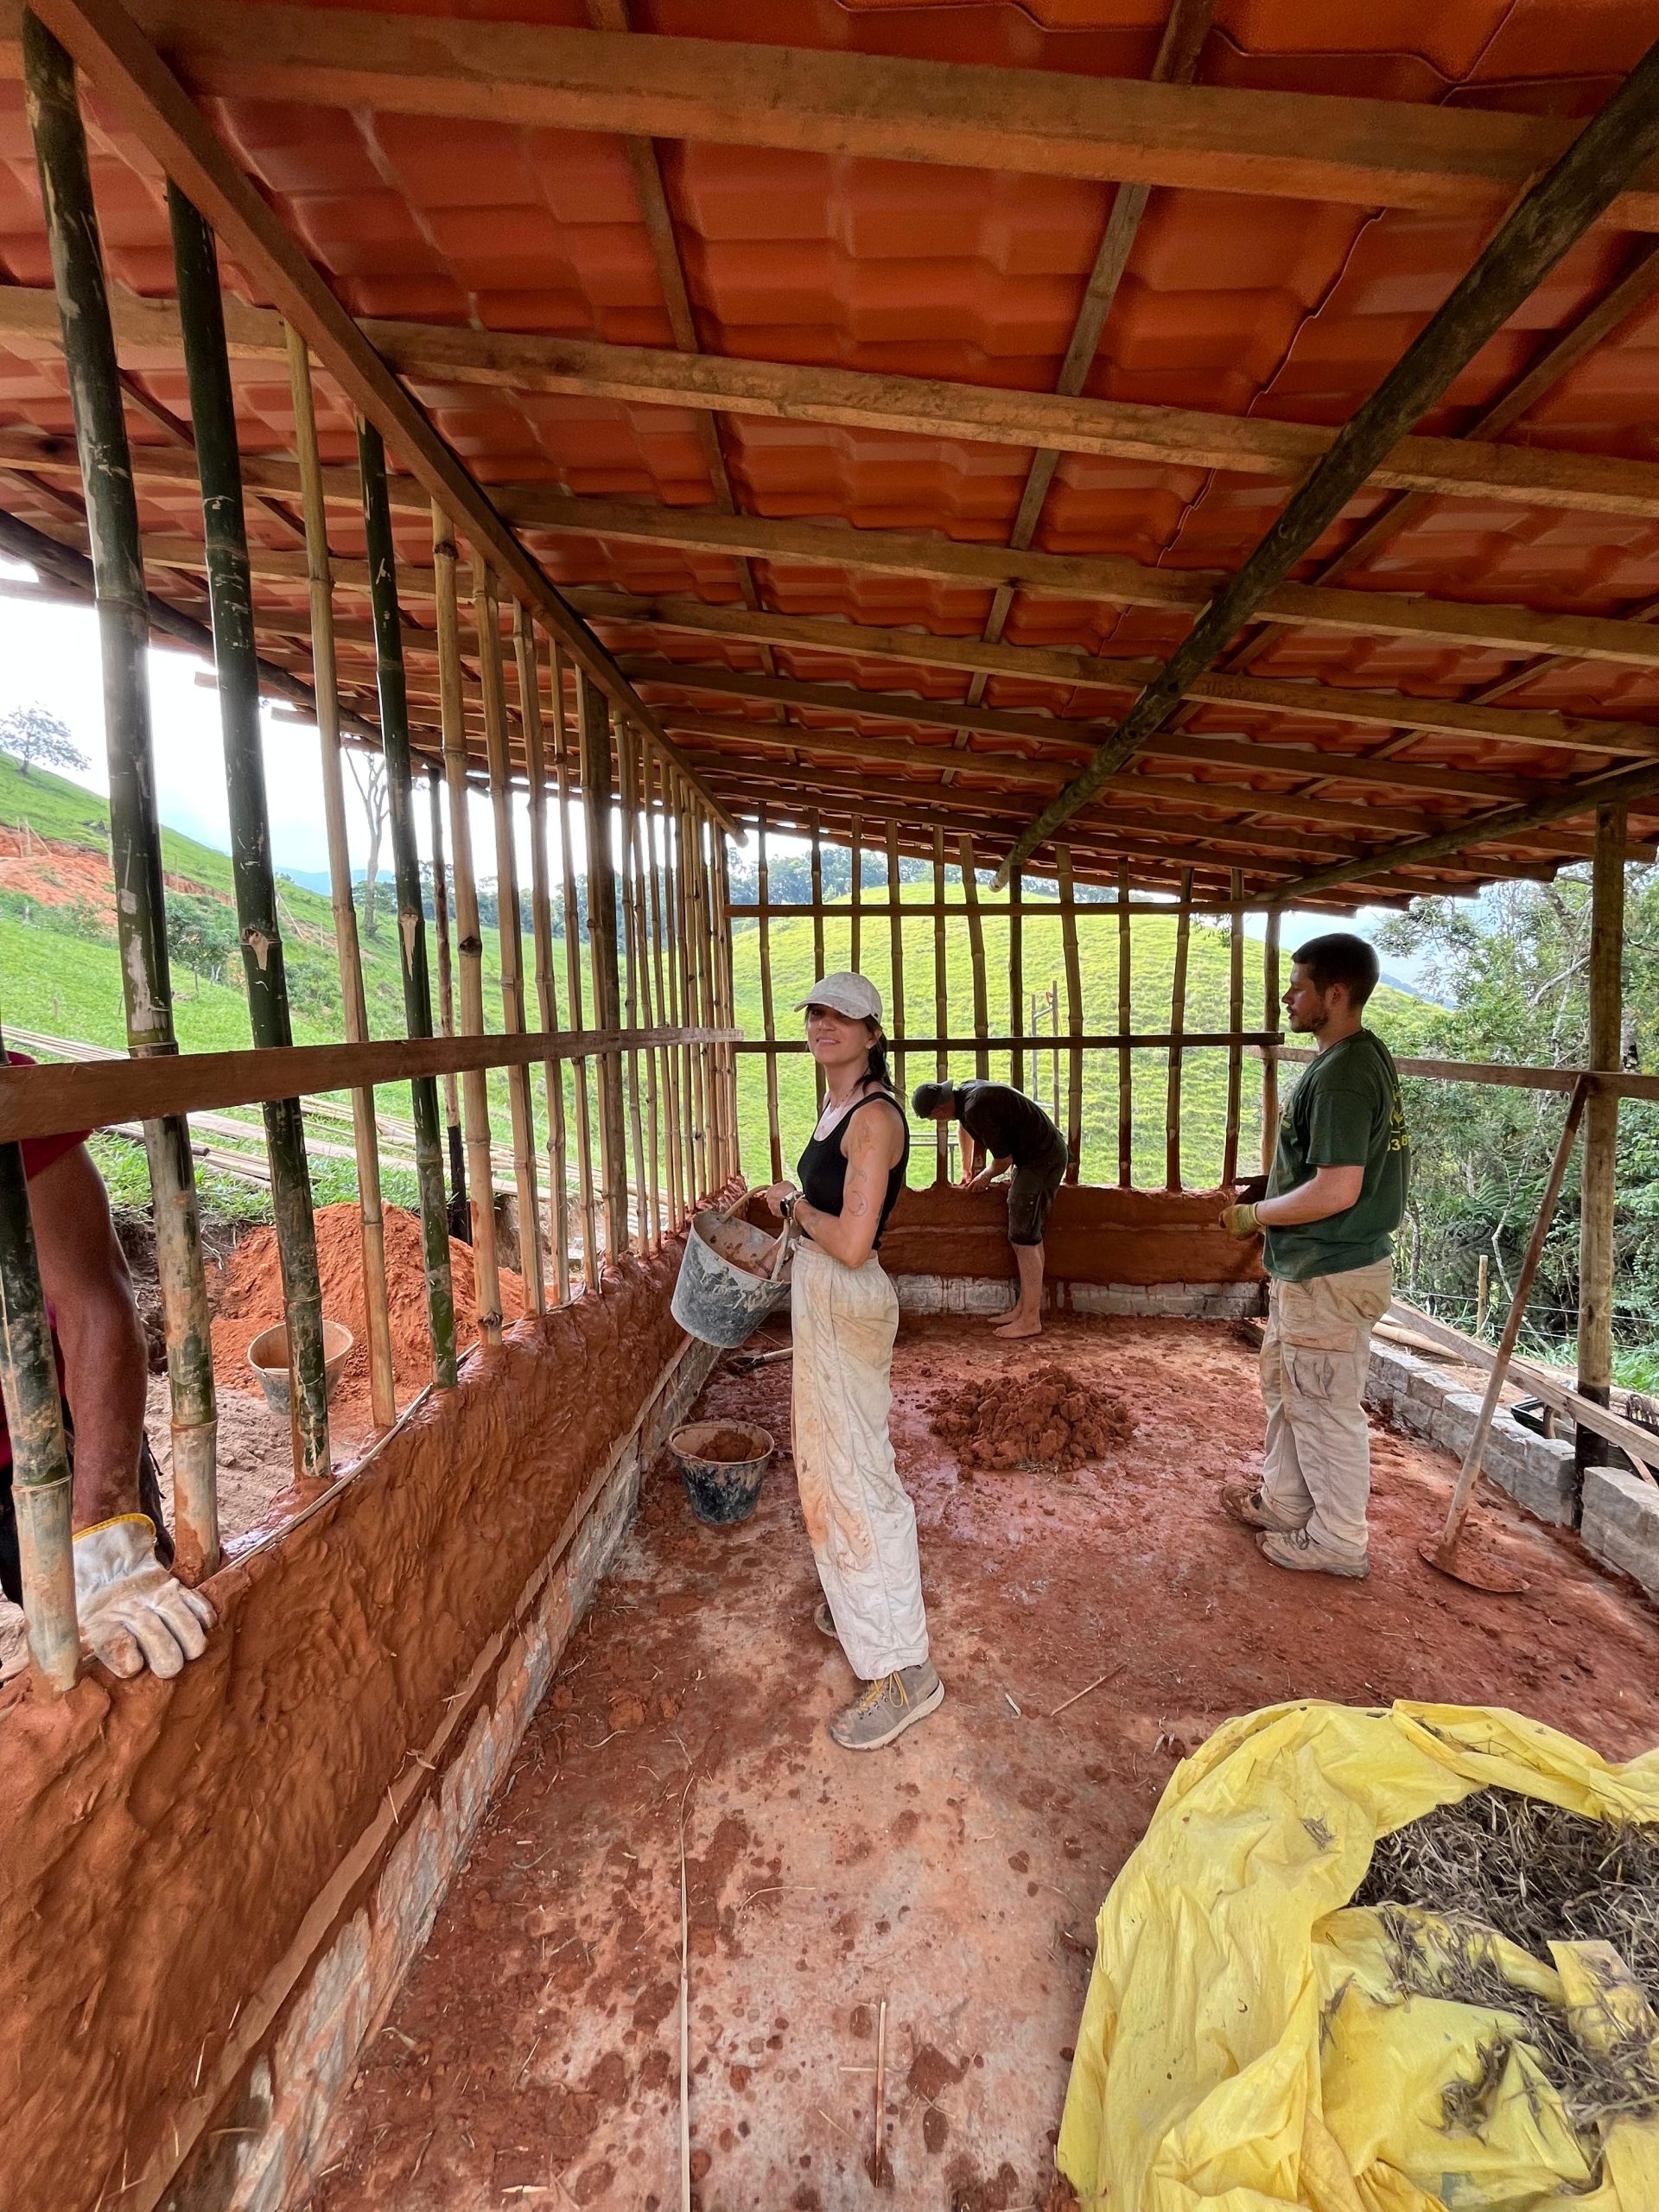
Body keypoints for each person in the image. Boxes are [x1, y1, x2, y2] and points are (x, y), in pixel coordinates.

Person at [755, 973, 944, 1752]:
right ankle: (859, 1592)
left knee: (860, 1472)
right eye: (816, 1013)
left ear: (872, 1033)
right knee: (833, 1463)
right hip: (823, 1294)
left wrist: (792, 1205)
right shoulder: (837, 1105)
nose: (825, 1024)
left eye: (844, 1016)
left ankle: (906, 1670)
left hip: (848, 1292)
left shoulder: (873, 1119)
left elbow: (854, 1240)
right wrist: (800, 1216)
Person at [1, 1065, 215, 1678]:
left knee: (129, 1650)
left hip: (41, 1437)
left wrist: (105, 1540)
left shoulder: (9, 1096)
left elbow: (94, 1305)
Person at [1218, 933, 1410, 1580]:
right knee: (1292, 1391)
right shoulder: (1351, 1059)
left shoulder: (1346, 1077)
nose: (1286, 996)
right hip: (1316, 1270)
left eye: (1297, 986)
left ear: (1335, 994)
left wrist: (1256, 1214)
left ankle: (1337, 1539)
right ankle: (1287, 1502)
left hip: (1331, 1269)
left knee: (1324, 1405)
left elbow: (1337, 1188)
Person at [912, 1077, 1069, 1339]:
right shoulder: (966, 1095)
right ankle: (1024, 1309)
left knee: (1023, 1238)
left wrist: (983, 1177)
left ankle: (1031, 1318)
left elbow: (1003, 1160)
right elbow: (965, 1128)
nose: (936, 1122)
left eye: (933, 1118)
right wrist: (965, 1167)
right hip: (1037, 1155)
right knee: (1028, 1235)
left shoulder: (976, 1108)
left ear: (939, 1112)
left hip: (1041, 1160)